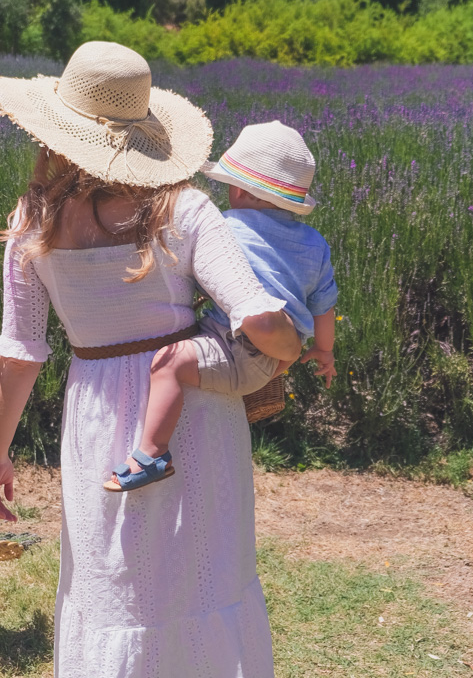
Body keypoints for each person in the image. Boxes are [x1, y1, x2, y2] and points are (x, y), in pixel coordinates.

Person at [0, 41, 301, 678]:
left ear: (55, 130)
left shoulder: (33, 225)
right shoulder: (185, 210)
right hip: (193, 412)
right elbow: (256, 312)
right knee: (207, 571)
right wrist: (285, 339)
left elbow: (20, 354)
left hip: (96, 417)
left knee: (120, 592)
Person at [105, 120, 338, 492]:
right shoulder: (314, 244)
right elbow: (324, 306)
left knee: (169, 364)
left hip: (238, 347)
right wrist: (324, 351)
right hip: (276, 353)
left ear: (242, 192)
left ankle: (152, 455)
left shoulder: (226, 227)